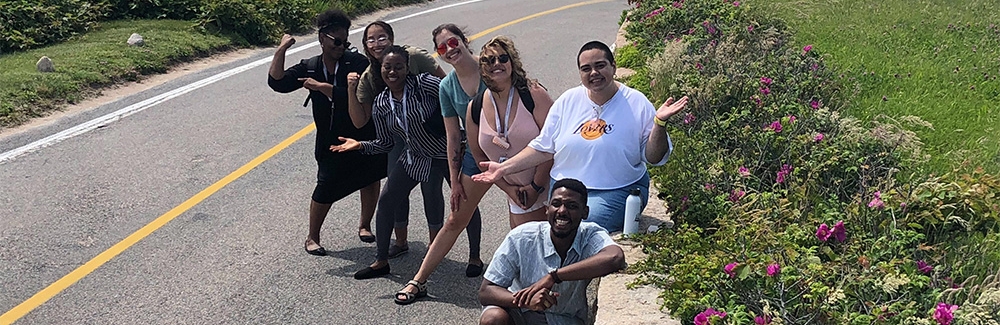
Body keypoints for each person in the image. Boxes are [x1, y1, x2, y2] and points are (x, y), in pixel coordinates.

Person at [472, 40, 689, 233]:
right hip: (566, 190)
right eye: (586, 69)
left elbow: (654, 156)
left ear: (613, 67)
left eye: (600, 65)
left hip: (615, 191)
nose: (593, 73)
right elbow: (542, 146)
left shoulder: (636, 102)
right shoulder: (568, 100)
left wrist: (659, 124)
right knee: (541, 232)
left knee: (579, 227)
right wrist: (503, 168)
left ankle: (561, 277)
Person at [267, 9, 385, 256]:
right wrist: (282, 49)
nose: (342, 46)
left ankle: (364, 225)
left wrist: (324, 88)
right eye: (337, 41)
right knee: (325, 186)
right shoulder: (310, 66)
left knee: (370, 177)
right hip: (329, 139)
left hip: (361, 132)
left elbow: (363, 96)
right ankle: (313, 236)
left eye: (346, 41)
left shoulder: (357, 63)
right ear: (322, 39)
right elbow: (277, 83)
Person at [391, 24, 492, 305]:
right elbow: (452, 137)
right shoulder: (447, 86)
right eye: (442, 47)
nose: (450, 50)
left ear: (464, 40)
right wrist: (455, 181)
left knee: (527, 211)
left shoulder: (491, 68)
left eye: (453, 42)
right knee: (455, 219)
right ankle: (419, 280)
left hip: (512, 154)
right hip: (476, 156)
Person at [330, 46, 448, 280]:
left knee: (454, 200)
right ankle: (381, 260)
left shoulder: (425, 84)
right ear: (380, 69)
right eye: (387, 67)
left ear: (407, 68)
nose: (392, 72)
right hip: (414, 155)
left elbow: (453, 98)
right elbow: (384, 143)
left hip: (443, 153)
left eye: (398, 67)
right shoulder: (382, 102)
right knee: (386, 201)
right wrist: (360, 145)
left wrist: (462, 135)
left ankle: (470, 257)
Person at [344, 21, 447, 252]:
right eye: (371, 39)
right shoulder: (370, 76)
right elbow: (360, 120)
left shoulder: (413, 57)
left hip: (429, 134)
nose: (377, 43)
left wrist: (446, 123)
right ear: (365, 45)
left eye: (382, 37)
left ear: (391, 39)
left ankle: (435, 246)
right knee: (396, 191)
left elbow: (446, 85)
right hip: (398, 139)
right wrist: (350, 89)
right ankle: (400, 241)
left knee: (431, 189)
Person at [478, 178, 625, 325]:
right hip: (520, 312)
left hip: (565, 319)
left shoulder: (590, 235)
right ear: (547, 209)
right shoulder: (522, 237)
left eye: (572, 206)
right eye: (556, 204)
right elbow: (486, 291)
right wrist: (527, 301)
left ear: (584, 213)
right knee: (493, 318)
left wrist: (554, 276)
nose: (562, 211)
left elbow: (615, 257)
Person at [467, 36, 553, 227]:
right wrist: (508, 189)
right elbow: (479, 156)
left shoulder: (533, 94)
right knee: (524, 247)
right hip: (516, 194)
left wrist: (535, 187)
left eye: (502, 58)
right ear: (481, 67)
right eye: (489, 60)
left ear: (512, 62)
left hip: (548, 189)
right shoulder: (475, 107)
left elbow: (554, 142)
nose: (496, 64)